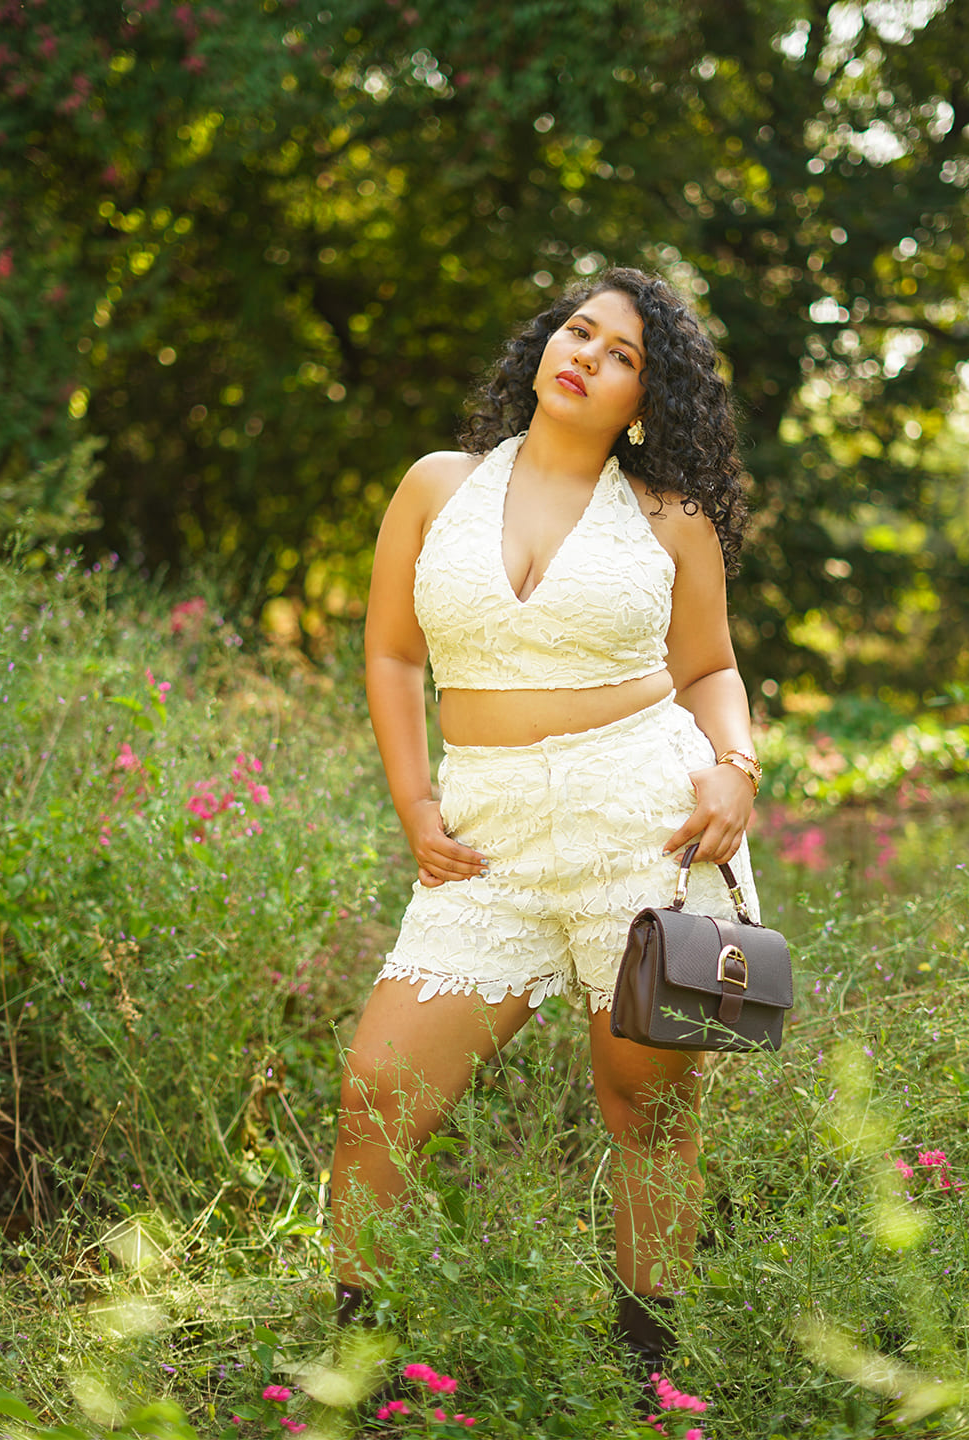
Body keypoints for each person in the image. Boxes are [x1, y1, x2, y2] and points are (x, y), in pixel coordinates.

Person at [330, 266, 762, 1380]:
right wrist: (415, 803)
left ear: (644, 401)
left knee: (647, 1103)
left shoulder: (673, 520)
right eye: (580, 331)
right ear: (543, 342)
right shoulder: (438, 485)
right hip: (486, 836)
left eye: (623, 356)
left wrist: (736, 767)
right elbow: (390, 651)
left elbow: (709, 666)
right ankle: (354, 1355)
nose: (588, 356)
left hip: (645, 825)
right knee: (381, 1083)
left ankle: (642, 1364)